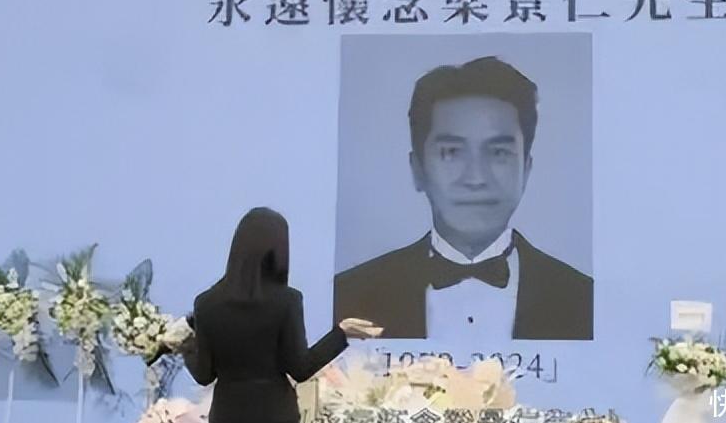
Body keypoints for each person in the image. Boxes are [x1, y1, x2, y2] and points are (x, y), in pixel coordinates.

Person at [334, 56, 593, 341]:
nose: (476, 178)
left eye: (498, 153)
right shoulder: (349, 295)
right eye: (452, 152)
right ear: (418, 169)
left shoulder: (585, 300)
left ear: (526, 169)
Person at [181, 207, 380, 423]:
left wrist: (185, 345)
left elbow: (204, 375)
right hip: (276, 413)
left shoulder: (206, 304)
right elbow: (301, 369)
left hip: (227, 414)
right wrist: (340, 334)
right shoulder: (287, 301)